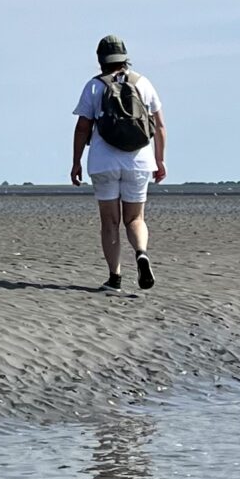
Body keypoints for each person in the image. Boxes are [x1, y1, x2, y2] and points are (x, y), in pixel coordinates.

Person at [71, 35, 166, 291]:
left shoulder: (94, 87)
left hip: (104, 162)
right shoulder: (143, 83)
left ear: (100, 59)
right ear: (125, 58)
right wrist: (160, 160)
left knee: (110, 222)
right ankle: (141, 253)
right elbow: (159, 125)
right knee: (135, 218)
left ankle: (115, 278)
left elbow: (82, 128)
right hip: (139, 160)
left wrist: (76, 162)